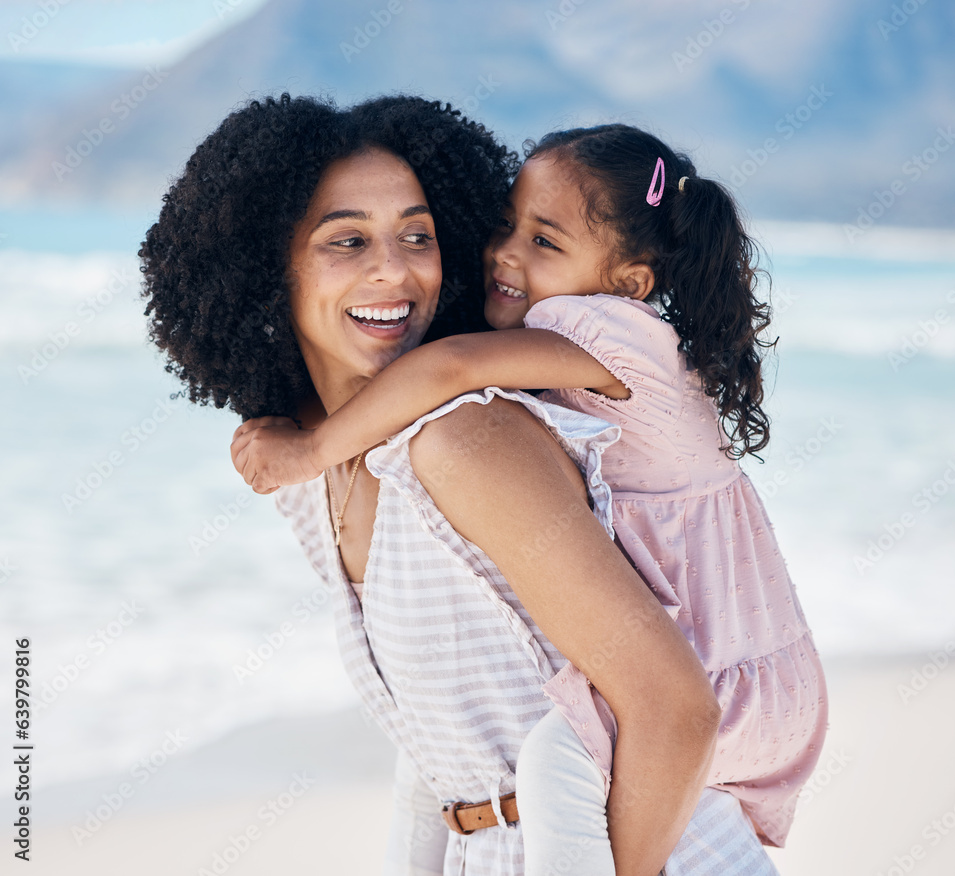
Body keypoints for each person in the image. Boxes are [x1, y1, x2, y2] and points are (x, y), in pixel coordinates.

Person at [143, 94, 783, 876]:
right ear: (259, 264)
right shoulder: (316, 481)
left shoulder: (464, 439)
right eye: (348, 240)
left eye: (419, 234)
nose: (394, 269)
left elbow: (675, 709)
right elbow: (447, 756)